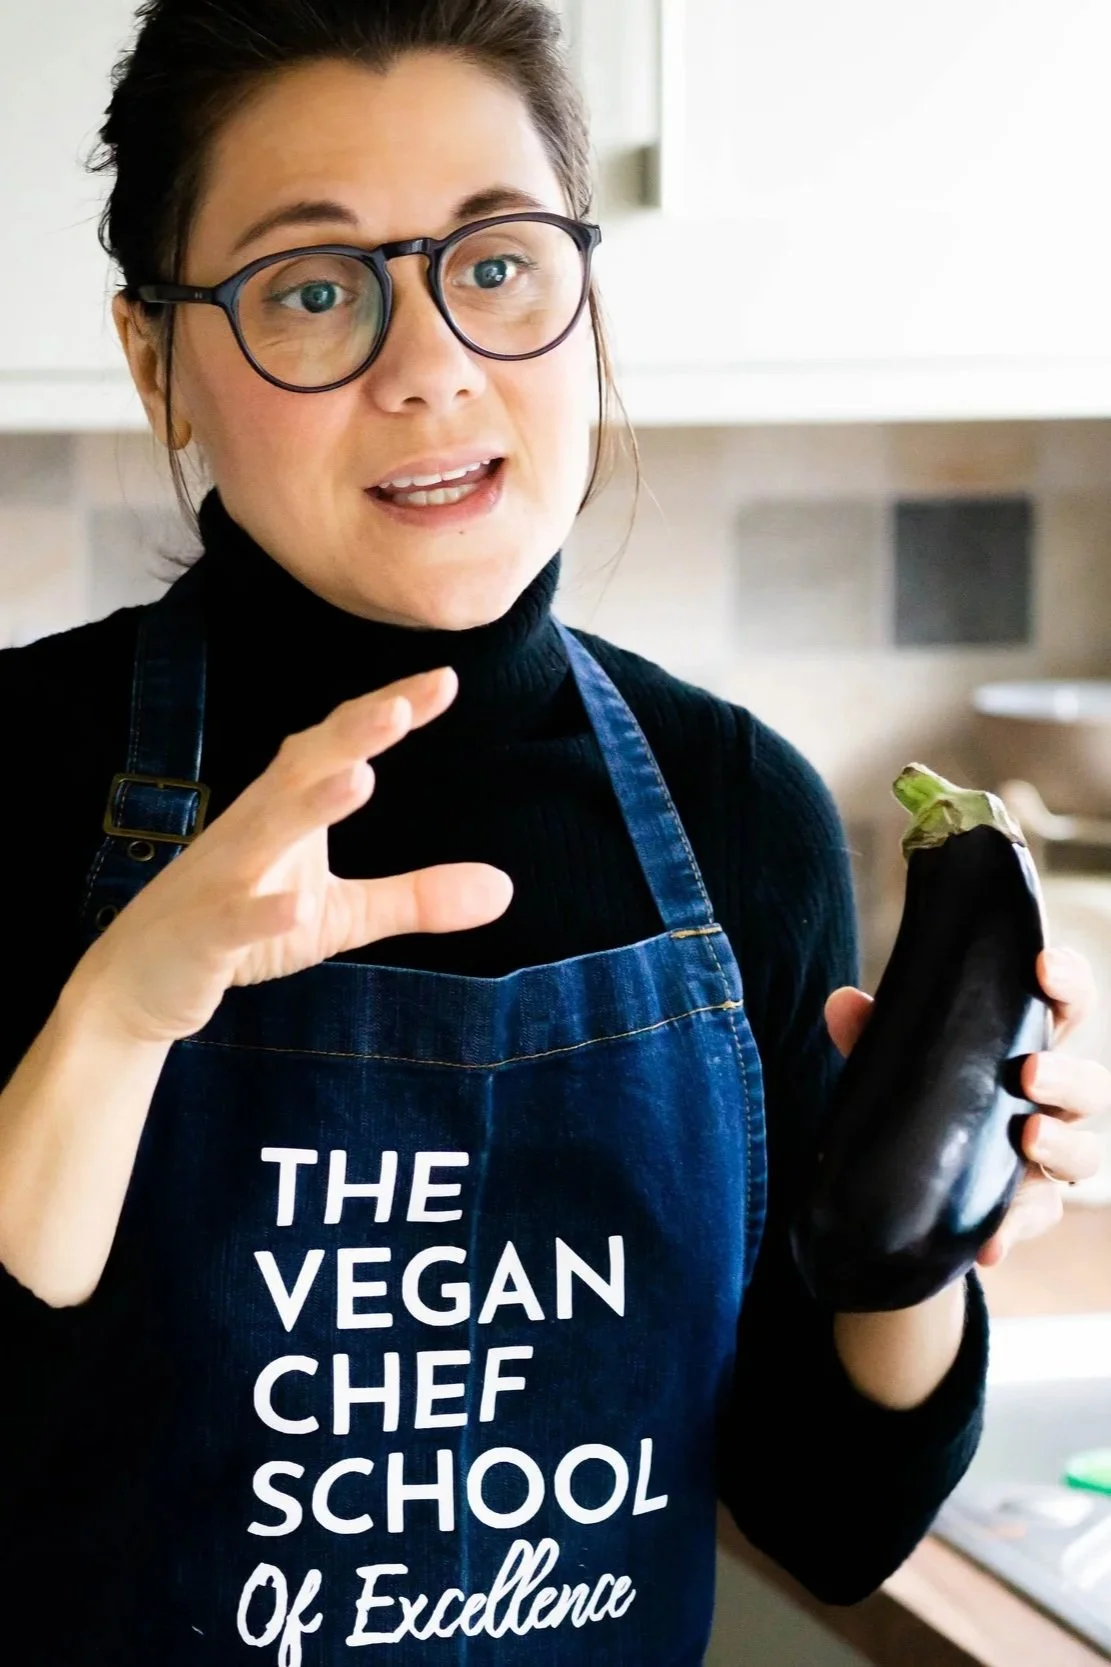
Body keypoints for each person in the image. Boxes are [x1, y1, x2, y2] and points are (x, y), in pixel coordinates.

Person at [0, 2, 1106, 1663]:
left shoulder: (738, 805)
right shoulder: (13, 771)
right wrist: (115, 1014)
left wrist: (926, 1226)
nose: (431, 361)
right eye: (316, 289)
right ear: (157, 355)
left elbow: (825, 1518)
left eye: (499, 262)